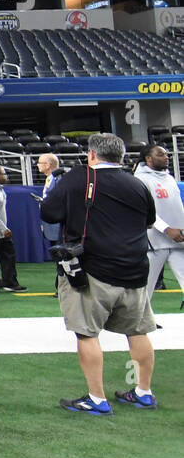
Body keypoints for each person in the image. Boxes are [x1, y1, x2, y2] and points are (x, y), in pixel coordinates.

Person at [40, 133, 158, 414]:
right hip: (135, 269)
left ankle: (96, 398)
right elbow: (149, 220)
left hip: (93, 270)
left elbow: (49, 212)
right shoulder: (137, 184)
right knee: (138, 331)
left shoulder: (80, 178)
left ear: (92, 155)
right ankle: (143, 391)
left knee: (86, 333)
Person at [134, 145, 184, 299]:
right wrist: (167, 229)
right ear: (148, 158)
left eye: (166, 154)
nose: (166, 157)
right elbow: (145, 211)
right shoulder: (140, 180)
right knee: (146, 286)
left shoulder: (169, 177)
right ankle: (142, 321)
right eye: (161, 154)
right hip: (155, 242)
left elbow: (177, 208)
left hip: (178, 240)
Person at [0, 165, 25, 292]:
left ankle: (10, 282)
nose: (6, 176)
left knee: (9, 255)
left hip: (1, 231)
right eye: (3, 174)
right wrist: (2, 228)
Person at [36, 153, 63, 249]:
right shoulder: (49, 179)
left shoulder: (59, 179)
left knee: (61, 255)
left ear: (47, 165)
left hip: (59, 226)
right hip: (51, 223)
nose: (37, 165)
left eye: (39, 162)